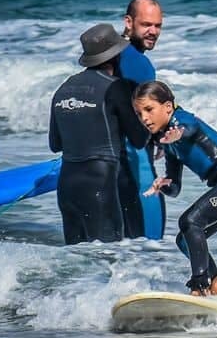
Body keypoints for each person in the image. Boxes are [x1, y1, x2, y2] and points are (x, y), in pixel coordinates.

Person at [133, 80, 217, 296]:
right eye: (139, 113)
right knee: (184, 239)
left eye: (149, 109)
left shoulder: (182, 120)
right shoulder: (169, 144)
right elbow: (176, 187)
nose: (144, 118)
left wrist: (178, 134)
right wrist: (164, 185)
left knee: (190, 221)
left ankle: (199, 284)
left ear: (168, 107)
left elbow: (189, 129)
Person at [48, 23, 149, 244]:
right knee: (107, 259)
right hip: (100, 187)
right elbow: (139, 139)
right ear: (116, 56)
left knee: (77, 263)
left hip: (66, 188)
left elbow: (55, 144)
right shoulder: (117, 87)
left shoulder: (63, 88)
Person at [117, 0, 166, 240]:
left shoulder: (106, 55)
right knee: (150, 240)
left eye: (158, 26)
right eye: (146, 24)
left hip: (103, 161)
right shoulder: (138, 63)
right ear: (129, 22)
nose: (153, 31)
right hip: (132, 159)